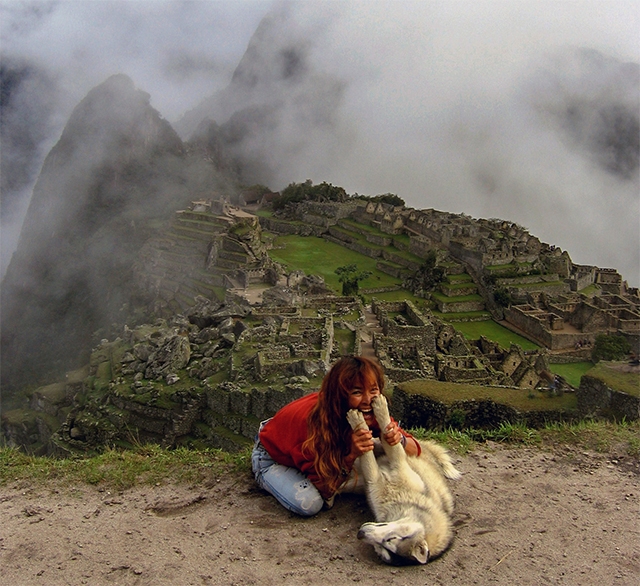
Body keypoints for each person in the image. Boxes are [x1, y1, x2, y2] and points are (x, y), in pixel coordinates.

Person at [251, 355, 421, 516]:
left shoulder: (369, 411)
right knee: (310, 502)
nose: (367, 400)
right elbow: (325, 489)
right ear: (340, 395)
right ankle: (265, 476)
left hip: (300, 440)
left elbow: (416, 450)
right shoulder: (314, 427)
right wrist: (351, 455)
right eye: (357, 392)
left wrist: (399, 439)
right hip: (271, 454)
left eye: (373, 390)